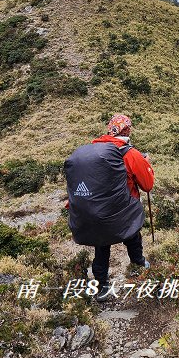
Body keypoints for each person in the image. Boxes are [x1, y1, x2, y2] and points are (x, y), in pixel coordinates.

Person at [64, 114, 154, 301]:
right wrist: (146, 164)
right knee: (132, 234)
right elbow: (147, 185)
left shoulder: (95, 152)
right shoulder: (130, 153)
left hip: (96, 212)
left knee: (101, 245)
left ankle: (101, 286)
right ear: (127, 130)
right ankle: (138, 264)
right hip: (123, 211)